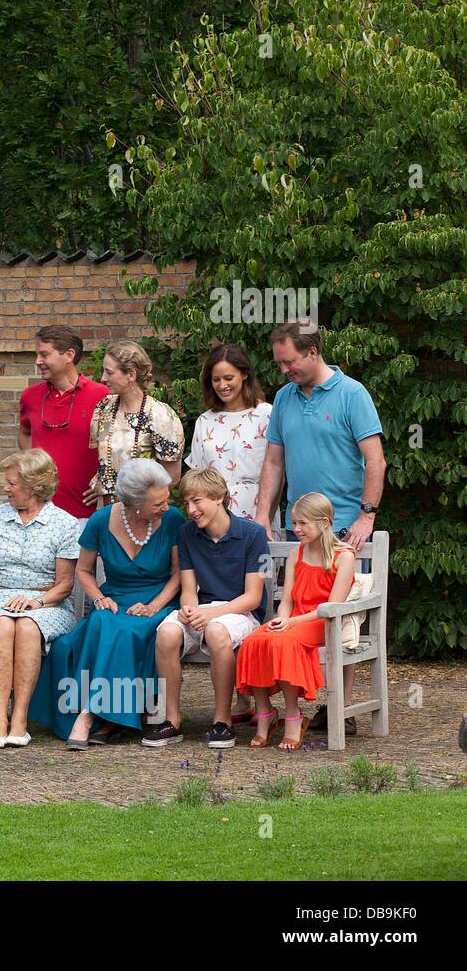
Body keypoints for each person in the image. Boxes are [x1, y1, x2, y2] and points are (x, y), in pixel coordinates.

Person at [252, 322, 386, 736]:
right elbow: (274, 462)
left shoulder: (352, 394)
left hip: (345, 526)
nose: (284, 370)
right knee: (298, 609)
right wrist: (263, 514)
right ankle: (299, 705)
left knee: (339, 617)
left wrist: (367, 516)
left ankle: (337, 706)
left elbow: (375, 460)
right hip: (299, 527)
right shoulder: (284, 398)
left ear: (312, 352)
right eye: (279, 363)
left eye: (289, 361)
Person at [30, 458, 183, 748]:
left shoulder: (173, 519)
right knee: (99, 621)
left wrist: (153, 607)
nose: (166, 507)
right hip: (114, 597)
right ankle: (108, 718)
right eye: (157, 503)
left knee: (125, 631)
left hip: (158, 601)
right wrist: (99, 597)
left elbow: (178, 575)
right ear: (134, 504)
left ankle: (89, 716)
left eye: (166, 499)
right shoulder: (100, 521)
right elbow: (83, 571)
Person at [0, 449, 80, 748]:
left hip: (47, 602)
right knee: (1, 624)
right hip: (0, 597)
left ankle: (19, 721)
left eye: (12, 483)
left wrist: (35, 603)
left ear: (34, 486)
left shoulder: (63, 523)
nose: (5, 488)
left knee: (25, 626)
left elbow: (65, 584)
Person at [146, 467, 270, 749]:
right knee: (166, 632)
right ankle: (171, 720)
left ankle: (222, 721)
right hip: (203, 610)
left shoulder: (252, 535)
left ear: (220, 498)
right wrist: (188, 609)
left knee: (215, 631)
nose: (191, 510)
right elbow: (188, 590)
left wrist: (210, 614)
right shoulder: (187, 534)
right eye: (187, 502)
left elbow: (252, 597)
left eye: (197, 501)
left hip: (241, 613)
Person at [237, 493, 356, 751]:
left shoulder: (344, 557)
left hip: (323, 623)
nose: (297, 529)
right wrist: (281, 620)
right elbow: (288, 602)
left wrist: (291, 624)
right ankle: (266, 713)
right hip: (295, 619)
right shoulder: (296, 555)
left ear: (324, 522)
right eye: (294, 523)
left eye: (303, 523)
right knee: (255, 640)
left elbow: (331, 607)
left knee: (286, 643)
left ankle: (293, 716)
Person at [18, 326, 109, 520]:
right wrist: (31, 467)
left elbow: (114, 444)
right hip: (39, 512)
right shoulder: (30, 396)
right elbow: (25, 432)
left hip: (85, 513)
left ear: (69, 355)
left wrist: (104, 480)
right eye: (37, 355)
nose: (38, 361)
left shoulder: (102, 396)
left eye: (44, 354)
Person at [186, 343, 274, 524]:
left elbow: (277, 470)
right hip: (213, 516)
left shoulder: (267, 414)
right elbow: (197, 480)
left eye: (228, 378)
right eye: (216, 379)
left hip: (258, 514)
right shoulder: (204, 421)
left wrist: (266, 514)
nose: (222, 385)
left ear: (244, 374)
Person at [88, 340, 184, 503]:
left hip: (143, 511)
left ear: (131, 375)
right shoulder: (104, 408)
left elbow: (171, 477)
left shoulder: (159, 415)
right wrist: (100, 486)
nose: (103, 378)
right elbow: (106, 462)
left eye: (109, 372)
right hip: (107, 511)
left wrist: (141, 505)